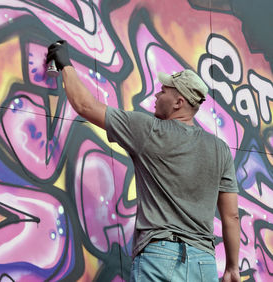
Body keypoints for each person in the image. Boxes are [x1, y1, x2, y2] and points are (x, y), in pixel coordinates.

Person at [46, 40, 241, 282]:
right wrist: (232, 267)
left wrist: (65, 64)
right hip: (204, 264)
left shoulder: (150, 130)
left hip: (160, 257)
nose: (157, 94)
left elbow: (85, 105)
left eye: (163, 91)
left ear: (179, 102)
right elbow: (231, 216)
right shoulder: (220, 149)